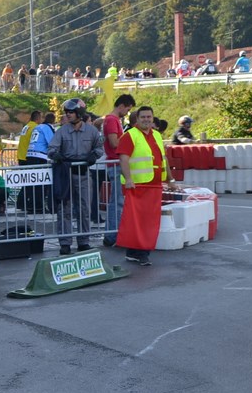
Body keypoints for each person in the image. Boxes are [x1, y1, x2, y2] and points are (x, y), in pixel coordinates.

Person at [117, 105, 178, 266]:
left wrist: (170, 180)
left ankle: (135, 252)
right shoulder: (130, 135)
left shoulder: (156, 135)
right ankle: (141, 252)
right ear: (137, 119)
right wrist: (128, 179)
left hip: (154, 186)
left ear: (152, 118)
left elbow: (163, 159)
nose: (146, 120)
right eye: (143, 117)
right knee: (138, 221)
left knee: (147, 221)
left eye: (148, 117)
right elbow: (123, 158)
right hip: (138, 186)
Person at [48, 99, 102, 253]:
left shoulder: (92, 131)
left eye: (71, 112)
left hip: (83, 175)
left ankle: (83, 241)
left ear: (79, 113)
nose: (68, 115)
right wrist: (56, 155)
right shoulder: (61, 131)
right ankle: (65, 243)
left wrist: (94, 155)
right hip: (66, 175)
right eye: (66, 112)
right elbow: (51, 149)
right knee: (64, 209)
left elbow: (99, 147)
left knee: (84, 209)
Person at [102, 94, 136, 246]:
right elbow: (114, 142)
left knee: (116, 201)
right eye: (127, 110)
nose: (127, 113)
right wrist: (129, 141)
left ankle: (112, 234)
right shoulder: (112, 120)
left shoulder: (112, 120)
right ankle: (112, 235)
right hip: (115, 164)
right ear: (121, 106)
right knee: (117, 202)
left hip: (115, 164)